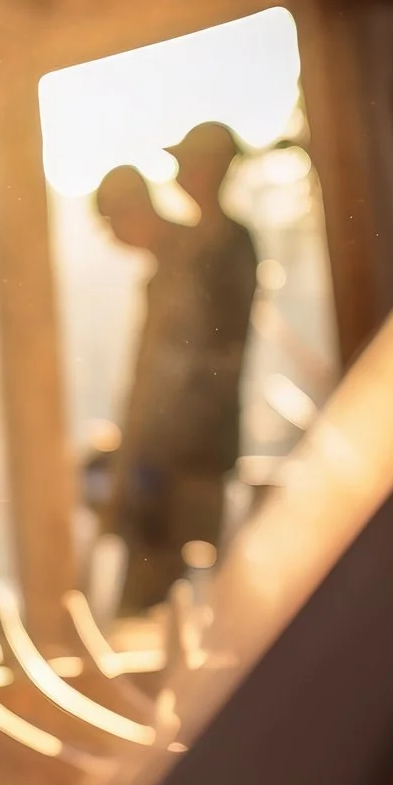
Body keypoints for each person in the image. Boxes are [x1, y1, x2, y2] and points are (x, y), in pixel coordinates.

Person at [94, 122, 259, 615]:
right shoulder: (188, 253)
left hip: (189, 456)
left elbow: (196, 363)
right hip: (171, 454)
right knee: (154, 588)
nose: (180, 177)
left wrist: (146, 452)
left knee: (172, 589)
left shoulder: (221, 248)